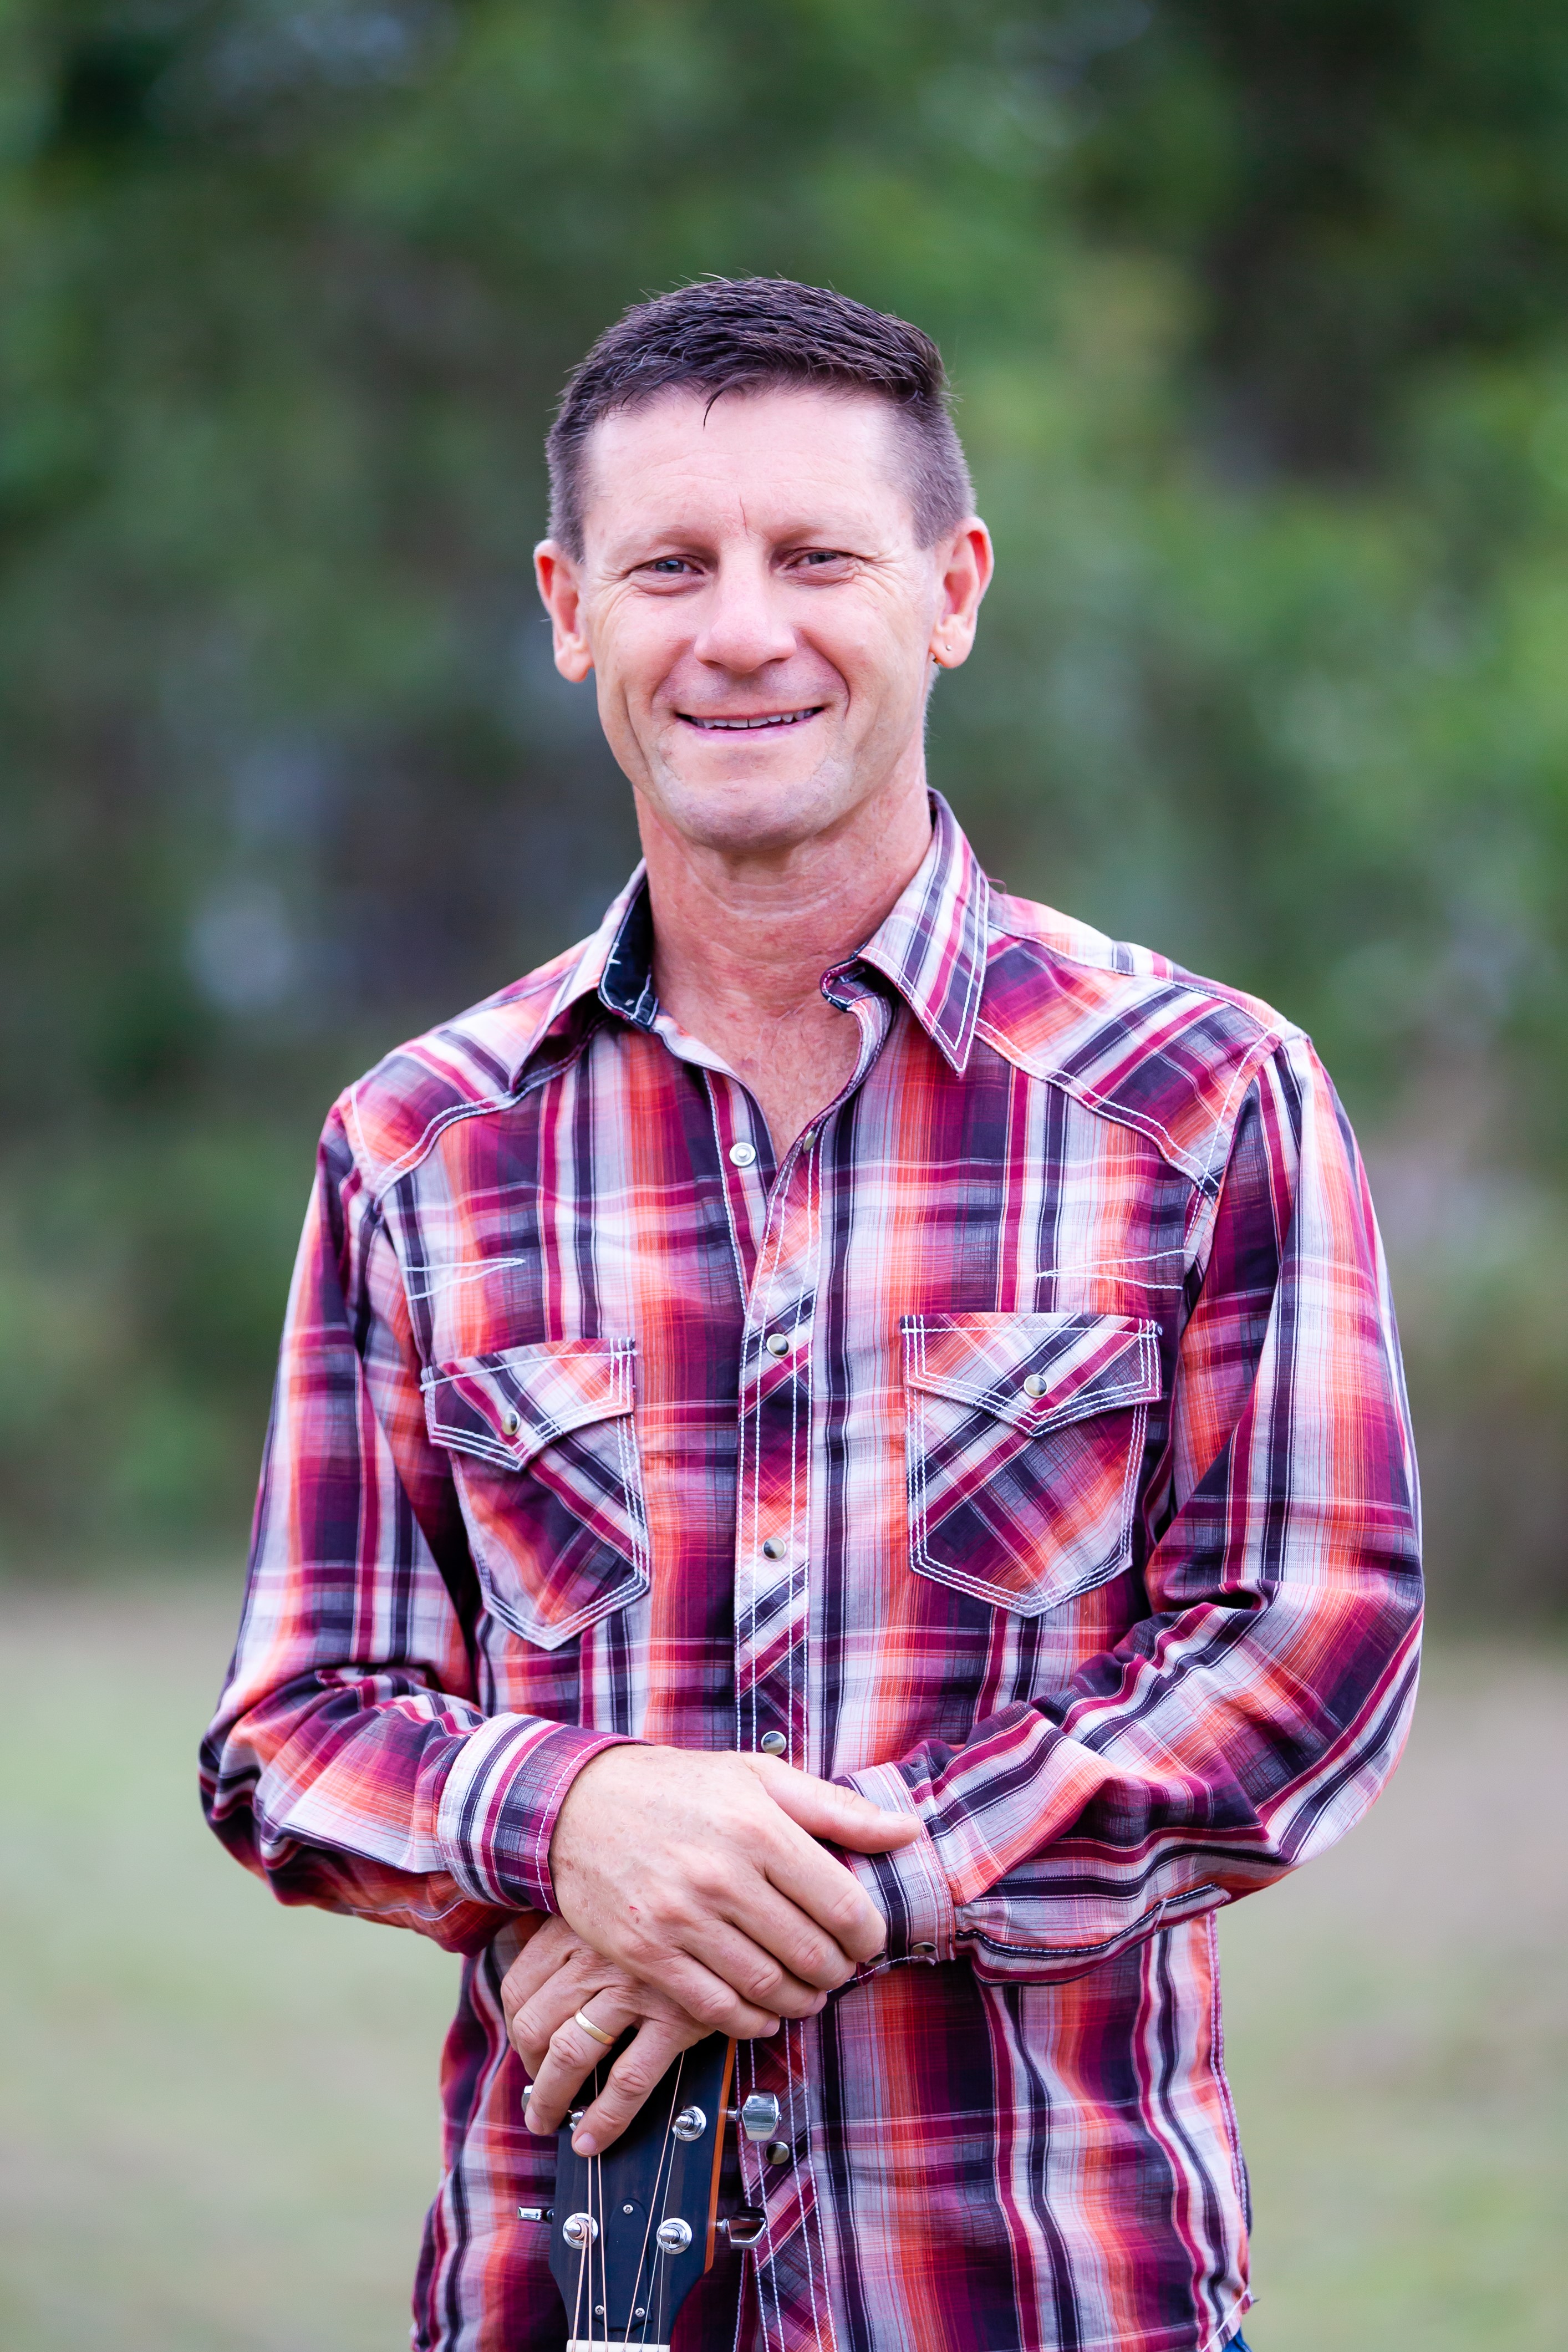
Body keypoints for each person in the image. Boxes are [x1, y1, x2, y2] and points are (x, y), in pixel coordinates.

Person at [202, 277, 1421, 2352]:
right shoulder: (418, 1144)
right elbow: (293, 1721)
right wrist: (575, 1820)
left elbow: (1307, 1652)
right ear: (569, 611)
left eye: (816, 557)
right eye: (669, 565)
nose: (742, 630)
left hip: (1047, 2287)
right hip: (569, 2294)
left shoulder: (1202, 1099)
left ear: (950, 591)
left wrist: (860, 1882)